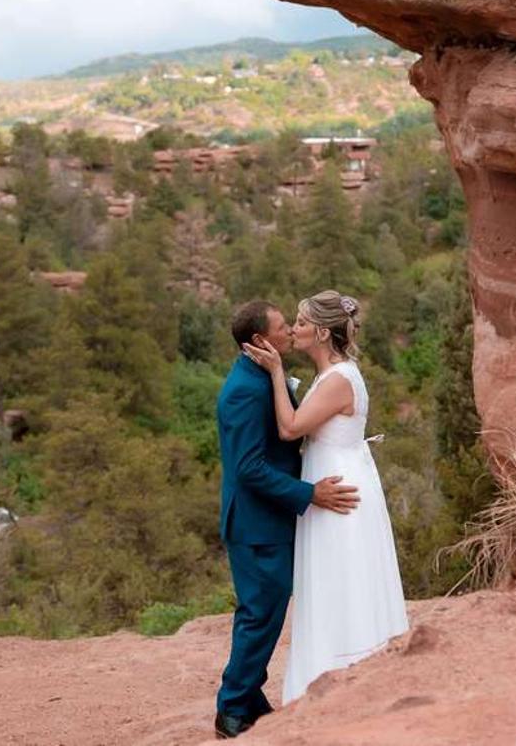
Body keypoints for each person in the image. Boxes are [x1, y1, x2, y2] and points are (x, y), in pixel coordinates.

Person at [242, 290, 408, 703]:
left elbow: (290, 428)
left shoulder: (338, 379)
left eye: (299, 323)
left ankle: (350, 674)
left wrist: (277, 373)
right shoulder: (333, 373)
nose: (293, 330)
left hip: (337, 490)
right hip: (332, 481)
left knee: (344, 576)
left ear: (318, 331)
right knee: (335, 576)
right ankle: (339, 671)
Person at [213, 300, 359, 739]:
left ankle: (251, 699)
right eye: (282, 327)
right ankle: (232, 710)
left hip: (269, 520)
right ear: (259, 342)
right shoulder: (245, 389)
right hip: (256, 523)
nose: (290, 332)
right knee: (260, 614)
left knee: (268, 612)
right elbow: (249, 468)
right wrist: (308, 493)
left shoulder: (260, 376)